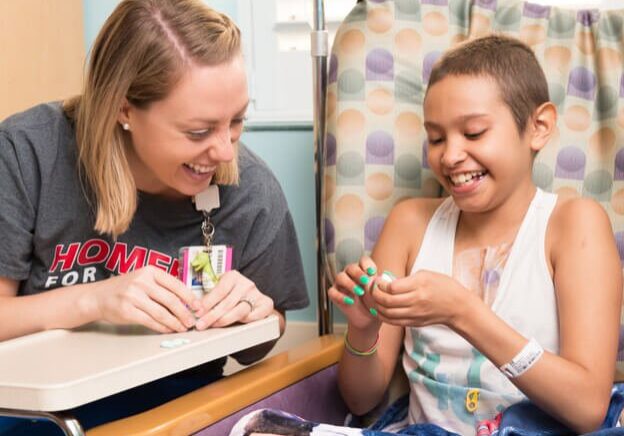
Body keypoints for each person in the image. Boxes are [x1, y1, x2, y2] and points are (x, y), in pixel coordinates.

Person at [231, 35, 623, 435]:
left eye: (473, 134)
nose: (450, 156)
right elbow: (361, 399)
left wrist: (464, 313)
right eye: (436, 138)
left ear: (538, 127)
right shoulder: (410, 225)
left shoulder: (572, 224)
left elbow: (588, 407)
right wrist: (363, 330)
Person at [0, 0, 308, 432]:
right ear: (124, 109)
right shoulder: (28, 154)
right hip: (32, 413)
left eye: (236, 120)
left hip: (178, 415)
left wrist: (256, 316)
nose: (225, 151)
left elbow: (262, 342)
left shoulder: (251, 193)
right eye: (198, 131)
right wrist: (94, 300)